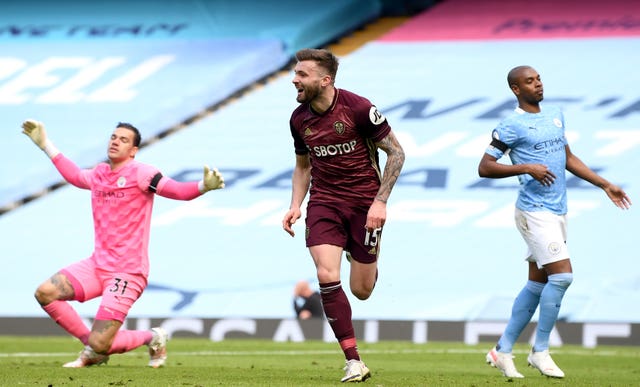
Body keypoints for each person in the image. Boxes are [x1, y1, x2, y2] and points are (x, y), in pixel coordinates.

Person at [22, 119, 225, 368]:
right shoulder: (99, 174)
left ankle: (152, 336)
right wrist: (46, 145)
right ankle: (94, 348)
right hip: (97, 265)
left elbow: (176, 191)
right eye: (113, 137)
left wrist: (204, 186)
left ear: (133, 150)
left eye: (124, 139)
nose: (116, 141)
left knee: (99, 342)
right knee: (46, 293)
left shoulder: (142, 173)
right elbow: (75, 175)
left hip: (127, 272)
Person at [478, 66, 631, 379]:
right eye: (530, 82)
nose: (538, 84)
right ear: (516, 89)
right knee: (562, 278)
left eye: (539, 79)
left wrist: (604, 184)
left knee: (538, 283)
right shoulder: (510, 126)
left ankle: (503, 350)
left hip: (557, 210)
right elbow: (485, 167)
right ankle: (540, 351)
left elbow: (568, 158)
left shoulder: (556, 114)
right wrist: (525, 168)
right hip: (534, 211)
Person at [281, 48, 405, 383]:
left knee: (362, 290)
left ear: (325, 80)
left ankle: (359, 255)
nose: (294, 79)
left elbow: (396, 152)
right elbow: (303, 165)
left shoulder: (359, 108)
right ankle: (353, 360)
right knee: (325, 274)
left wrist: (380, 202)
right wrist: (296, 204)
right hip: (324, 202)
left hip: (365, 203)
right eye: (295, 73)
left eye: (302, 74)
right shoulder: (298, 119)